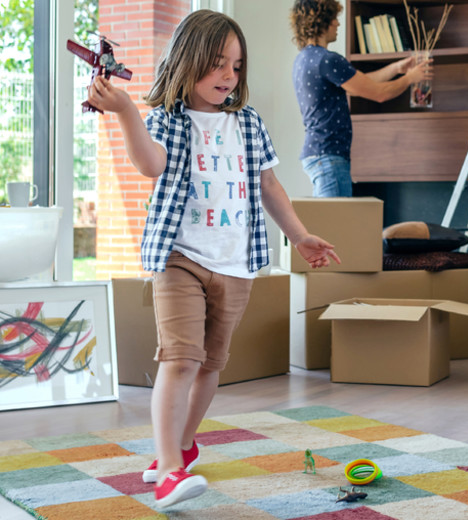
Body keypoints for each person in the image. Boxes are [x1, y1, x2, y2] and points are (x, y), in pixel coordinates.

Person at [86, 9, 340, 509]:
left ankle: (180, 445)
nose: (228, 76)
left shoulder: (247, 123)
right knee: (180, 359)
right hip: (180, 258)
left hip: (237, 263)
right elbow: (149, 163)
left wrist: (301, 235)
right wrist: (125, 112)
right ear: (187, 61)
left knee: (210, 365)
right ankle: (168, 474)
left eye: (236, 66)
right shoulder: (165, 118)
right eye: (217, 64)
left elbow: (270, 186)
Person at [289, 0, 433, 197]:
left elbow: (359, 84)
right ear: (323, 21)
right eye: (334, 19)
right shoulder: (328, 60)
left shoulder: (305, 59)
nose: (338, 24)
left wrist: (397, 69)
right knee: (336, 225)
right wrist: (410, 79)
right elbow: (379, 94)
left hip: (320, 153)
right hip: (329, 155)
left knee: (330, 223)